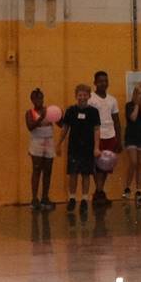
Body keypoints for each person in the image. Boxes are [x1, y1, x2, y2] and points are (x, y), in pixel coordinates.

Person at [54, 83, 102, 214]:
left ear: (89, 96)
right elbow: (65, 129)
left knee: (86, 174)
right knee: (73, 173)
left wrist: (96, 148)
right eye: (79, 95)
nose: (82, 97)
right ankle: (72, 198)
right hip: (74, 148)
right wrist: (58, 144)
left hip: (88, 148)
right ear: (76, 96)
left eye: (84, 95)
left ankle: (85, 199)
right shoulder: (71, 111)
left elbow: (97, 130)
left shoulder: (93, 112)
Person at [86, 71, 122, 206]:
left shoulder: (112, 100)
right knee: (97, 166)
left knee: (106, 166)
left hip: (110, 136)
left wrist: (119, 140)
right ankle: (100, 192)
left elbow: (117, 121)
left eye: (105, 81)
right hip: (96, 136)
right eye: (100, 81)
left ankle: (99, 192)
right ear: (95, 83)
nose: (103, 83)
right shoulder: (91, 99)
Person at [120, 82, 141, 203]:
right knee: (133, 162)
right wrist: (136, 105)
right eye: (138, 93)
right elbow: (133, 118)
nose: (140, 96)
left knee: (140, 163)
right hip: (131, 137)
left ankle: (139, 189)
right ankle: (127, 187)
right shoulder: (129, 105)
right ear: (135, 94)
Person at [25, 88, 55, 210]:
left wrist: (60, 115)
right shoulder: (30, 112)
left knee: (48, 171)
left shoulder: (49, 111)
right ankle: (34, 198)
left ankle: (45, 197)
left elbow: (60, 122)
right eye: (36, 98)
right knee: (37, 169)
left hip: (49, 141)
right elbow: (30, 127)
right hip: (36, 142)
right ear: (32, 100)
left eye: (41, 98)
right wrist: (41, 118)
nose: (39, 100)